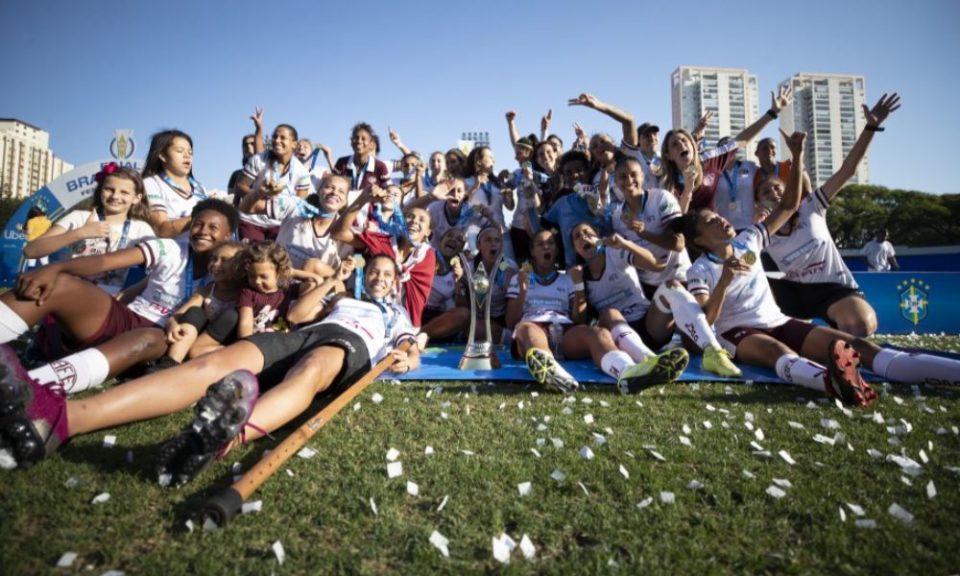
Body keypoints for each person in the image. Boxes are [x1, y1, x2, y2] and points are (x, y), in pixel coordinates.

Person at [0, 254, 420, 477]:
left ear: (397, 281)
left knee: (310, 372)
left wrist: (406, 355)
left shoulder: (397, 314)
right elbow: (297, 316)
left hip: (349, 344)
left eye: (387, 273)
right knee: (210, 366)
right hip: (300, 332)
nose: (380, 277)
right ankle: (61, 420)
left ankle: (215, 442)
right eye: (375, 271)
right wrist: (333, 284)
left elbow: (411, 348)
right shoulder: (340, 297)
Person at [683, 128, 960, 406]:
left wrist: (797, 154)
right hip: (737, 331)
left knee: (860, 348)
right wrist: (725, 280)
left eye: (718, 216)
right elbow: (705, 321)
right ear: (699, 240)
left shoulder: (751, 238)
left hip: (780, 320)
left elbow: (790, 205)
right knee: (778, 353)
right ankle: (833, 383)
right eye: (710, 222)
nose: (720, 220)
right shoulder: (700, 270)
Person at [0, 199, 238, 395]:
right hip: (126, 318)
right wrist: (54, 268)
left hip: (163, 338)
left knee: (147, 338)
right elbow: (105, 262)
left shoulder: (234, 271)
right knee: (59, 284)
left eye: (213, 227)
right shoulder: (170, 249)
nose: (203, 231)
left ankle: (32, 385)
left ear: (229, 235)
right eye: (198, 224)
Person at [761, 94, 901, 337]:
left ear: (790, 194)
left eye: (778, 188)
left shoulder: (811, 207)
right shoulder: (759, 234)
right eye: (764, 190)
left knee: (861, 325)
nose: (772, 192)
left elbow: (847, 170)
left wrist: (871, 127)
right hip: (790, 295)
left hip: (832, 289)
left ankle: (838, 342)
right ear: (757, 201)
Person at [506, 229, 688, 395]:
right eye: (541, 244)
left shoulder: (567, 279)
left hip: (563, 329)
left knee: (599, 333)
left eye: (551, 243)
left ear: (556, 250)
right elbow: (511, 321)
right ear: (532, 252)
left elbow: (579, 318)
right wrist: (522, 292)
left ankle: (629, 373)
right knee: (529, 330)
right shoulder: (520, 278)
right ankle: (553, 373)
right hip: (532, 326)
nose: (547, 247)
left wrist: (578, 286)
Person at [570, 222, 741, 378]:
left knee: (671, 285)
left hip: (649, 325)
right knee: (610, 313)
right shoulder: (578, 274)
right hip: (617, 332)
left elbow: (657, 265)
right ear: (575, 249)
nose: (584, 237)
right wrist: (578, 285)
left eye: (587, 232)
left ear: (598, 236)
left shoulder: (616, 252)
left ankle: (714, 352)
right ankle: (652, 361)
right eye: (577, 236)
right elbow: (580, 320)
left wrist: (626, 244)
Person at [22, 164, 155, 295]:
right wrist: (80, 233)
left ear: (136, 198)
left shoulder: (142, 229)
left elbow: (158, 268)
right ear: (100, 190)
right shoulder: (79, 217)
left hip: (114, 302)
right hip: (71, 293)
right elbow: (30, 251)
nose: (115, 196)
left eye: (124, 192)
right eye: (109, 189)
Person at [660, 86, 794, 214]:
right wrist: (688, 191)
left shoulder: (711, 160)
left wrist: (771, 113)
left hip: (712, 231)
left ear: (693, 145)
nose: (681, 145)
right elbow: (677, 219)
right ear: (668, 156)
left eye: (684, 140)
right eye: (674, 144)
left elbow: (742, 140)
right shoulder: (666, 182)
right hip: (684, 233)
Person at [332, 187, 436, 328]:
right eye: (409, 217)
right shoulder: (381, 240)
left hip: (402, 320)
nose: (414, 222)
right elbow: (339, 233)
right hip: (367, 309)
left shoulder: (427, 256)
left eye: (422, 220)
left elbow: (417, 293)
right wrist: (363, 199)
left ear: (428, 232)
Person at [156, 241, 245, 369]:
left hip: (221, 342)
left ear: (240, 267)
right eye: (214, 259)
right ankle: (170, 362)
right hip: (198, 337)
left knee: (231, 316)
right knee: (195, 312)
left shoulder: (244, 295)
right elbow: (179, 314)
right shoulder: (207, 290)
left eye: (225, 260)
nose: (216, 264)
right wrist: (173, 324)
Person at [236, 123, 313, 242]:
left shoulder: (302, 172)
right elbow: (240, 186)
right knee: (253, 258)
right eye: (274, 137)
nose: (277, 140)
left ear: (294, 144)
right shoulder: (259, 160)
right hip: (252, 220)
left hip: (279, 224)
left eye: (283, 138)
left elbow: (299, 205)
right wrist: (261, 194)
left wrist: (277, 206)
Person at [142, 129, 209, 238]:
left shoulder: (200, 188)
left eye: (190, 152)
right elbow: (161, 229)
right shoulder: (151, 183)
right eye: (179, 151)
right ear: (162, 156)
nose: (187, 156)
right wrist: (205, 215)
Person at [236, 241, 299, 337]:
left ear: (279, 273)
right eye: (252, 276)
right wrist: (246, 345)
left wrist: (292, 272)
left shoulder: (288, 291)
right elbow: (245, 325)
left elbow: (313, 283)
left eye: (264, 277)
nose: (257, 281)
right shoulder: (248, 293)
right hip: (255, 343)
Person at [333, 123, 392, 202]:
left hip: (369, 211)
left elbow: (389, 191)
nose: (359, 141)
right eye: (356, 138)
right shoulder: (342, 162)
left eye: (363, 139)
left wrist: (379, 193)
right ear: (351, 142)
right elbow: (332, 184)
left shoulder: (379, 166)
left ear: (371, 144)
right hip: (344, 209)